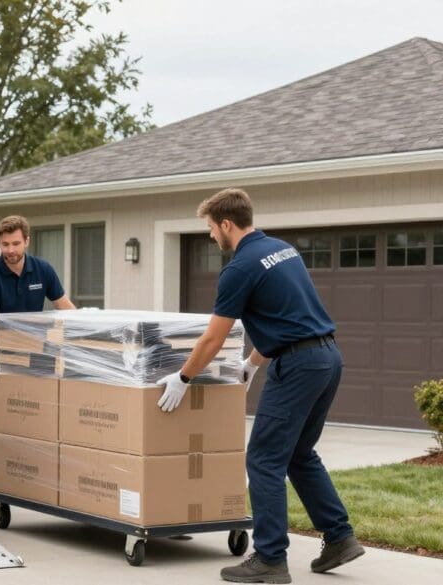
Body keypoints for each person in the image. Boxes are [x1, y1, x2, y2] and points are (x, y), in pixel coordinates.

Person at [156, 188, 364, 583]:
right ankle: (339, 537)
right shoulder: (282, 250)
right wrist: (252, 363)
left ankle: (270, 558)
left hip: (299, 365)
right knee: (299, 453)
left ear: (226, 224)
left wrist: (184, 377)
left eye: (211, 228)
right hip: (327, 358)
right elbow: (287, 315)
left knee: (263, 459)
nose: (211, 236)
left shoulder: (239, 267)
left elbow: (212, 338)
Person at [0, 215, 75, 516]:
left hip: (34, 360)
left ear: (26, 241)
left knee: (34, 424)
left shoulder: (42, 270)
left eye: (15, 243)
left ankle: (29, 486)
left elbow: (64, 308)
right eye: (4, 244)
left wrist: (88, 329)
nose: (10, 250)